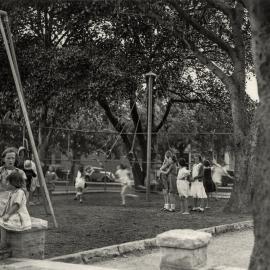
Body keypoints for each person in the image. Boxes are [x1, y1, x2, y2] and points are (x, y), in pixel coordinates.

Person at [0, 171, 31, 249]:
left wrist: (7, 214)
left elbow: (16, 205)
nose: (7, 184)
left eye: (8, 182)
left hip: (18, 215)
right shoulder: (12, 192)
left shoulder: (19, 192)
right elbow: (7, 204)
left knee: (2, 222)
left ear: (13, 183)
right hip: (13, 213)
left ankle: (3, 244)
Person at [0, 148, 27, 216]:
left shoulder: (20, 172)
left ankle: (10, 213)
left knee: (20, 194)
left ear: (15, 159)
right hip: (2, 197)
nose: (11, 160)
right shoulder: (0, 171)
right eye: (8, 158)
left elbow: (24, 189)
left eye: (13, 158)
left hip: (14, 199)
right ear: (3, 159)